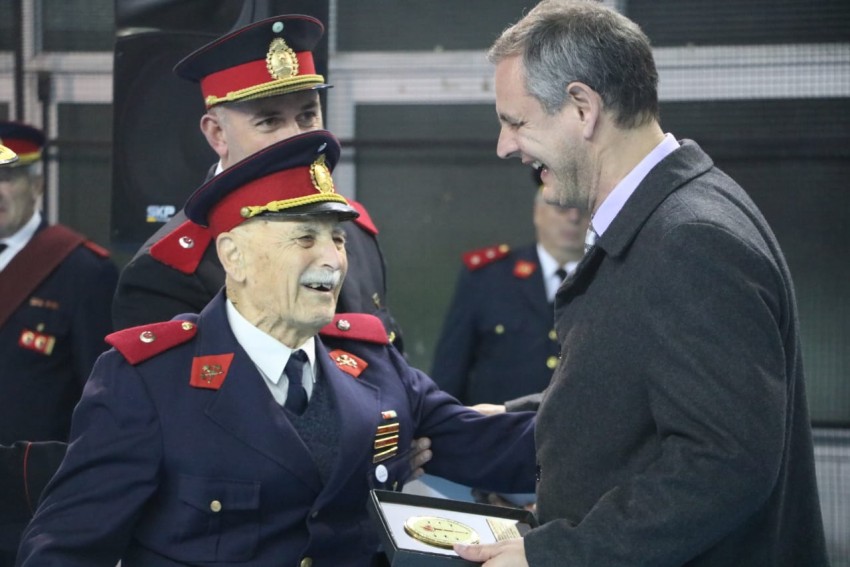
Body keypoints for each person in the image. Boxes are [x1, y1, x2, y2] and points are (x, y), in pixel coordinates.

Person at [17, 131, 537, 566]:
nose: (332, 258)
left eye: (337, 238)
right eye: (304, 237)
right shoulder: (149, 381)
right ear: (234, 256)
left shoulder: (375, 366)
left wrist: (610, 410)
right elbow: (65, 549)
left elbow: (502, 447)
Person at [454, 1, 829, 566]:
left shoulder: (691, 238)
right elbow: (639, 392)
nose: (504, 145)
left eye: (516, 121)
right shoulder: (672, 214)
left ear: (583, 108)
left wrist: (556, 557)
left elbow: (723, 462)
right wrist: (510, 416)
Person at [112, 14, 404, 353]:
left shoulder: (355, 232)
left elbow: (392, 376)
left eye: (307, 116)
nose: (297, 138)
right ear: (216, 133)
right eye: (269, 121)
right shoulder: (167, 273)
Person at [0, 124, 118, 564]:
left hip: (30, 509)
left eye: (6, 178)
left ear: (37, 185)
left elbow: (103, 403)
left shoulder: (83, 271)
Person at [431, 169, 589, 406]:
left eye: (583, 210)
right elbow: (450, 371)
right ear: (538, 212)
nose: (573, 218)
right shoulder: (488, 278)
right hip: (500, 435)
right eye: (562, 208)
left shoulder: (608, 278)